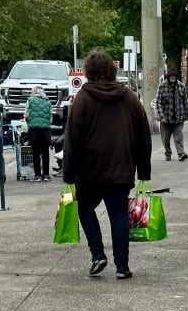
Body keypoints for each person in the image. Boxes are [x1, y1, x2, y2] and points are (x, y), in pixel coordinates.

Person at [63, 48, 152, 280]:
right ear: (113, 70)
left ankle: (97, 254)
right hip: (121, 168)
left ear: (88, 71)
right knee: (118, 215)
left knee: (85, 208)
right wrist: (144, 170)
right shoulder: (129, 97)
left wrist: (68, 174)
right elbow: (143, 135)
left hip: (89, 170)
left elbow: (72, 139)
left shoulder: (82, 99)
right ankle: (122, 266)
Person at [154, 67, 188, 161]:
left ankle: (181, 153)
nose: (173, 78)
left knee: (178, 137)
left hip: (179, 117)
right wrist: (161, 116)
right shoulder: (162, 86)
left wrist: (186, 114)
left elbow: (185, 102)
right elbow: (158, 103)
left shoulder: (181, 86)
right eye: (171, 76)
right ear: (168, 77)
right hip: (166, 118)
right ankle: (168, 153)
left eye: (174, 76)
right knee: (165, 139)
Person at [24, 86, 52, 182]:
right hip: (45, 130)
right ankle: (46, 175)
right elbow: (50, 117)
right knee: (45, 152)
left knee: (35, 152)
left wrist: (29, 122)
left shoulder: (30, 100)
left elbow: (26, 114)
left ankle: (37, 175)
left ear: (34, 92)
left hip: (34, 130)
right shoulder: (48, 102)